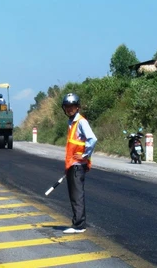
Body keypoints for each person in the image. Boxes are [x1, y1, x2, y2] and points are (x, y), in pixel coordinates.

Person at [61, 93, 97, 234]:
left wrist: (85, 155)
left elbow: (92, 139)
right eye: (67, 106)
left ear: (77, 107)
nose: (70, 109)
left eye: (72, 106)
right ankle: (77, 222)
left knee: (77, 195)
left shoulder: (81, 122)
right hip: (72, 164)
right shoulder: (71, 122)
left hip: (77, 164)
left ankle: (79, 225)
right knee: (73, 195)